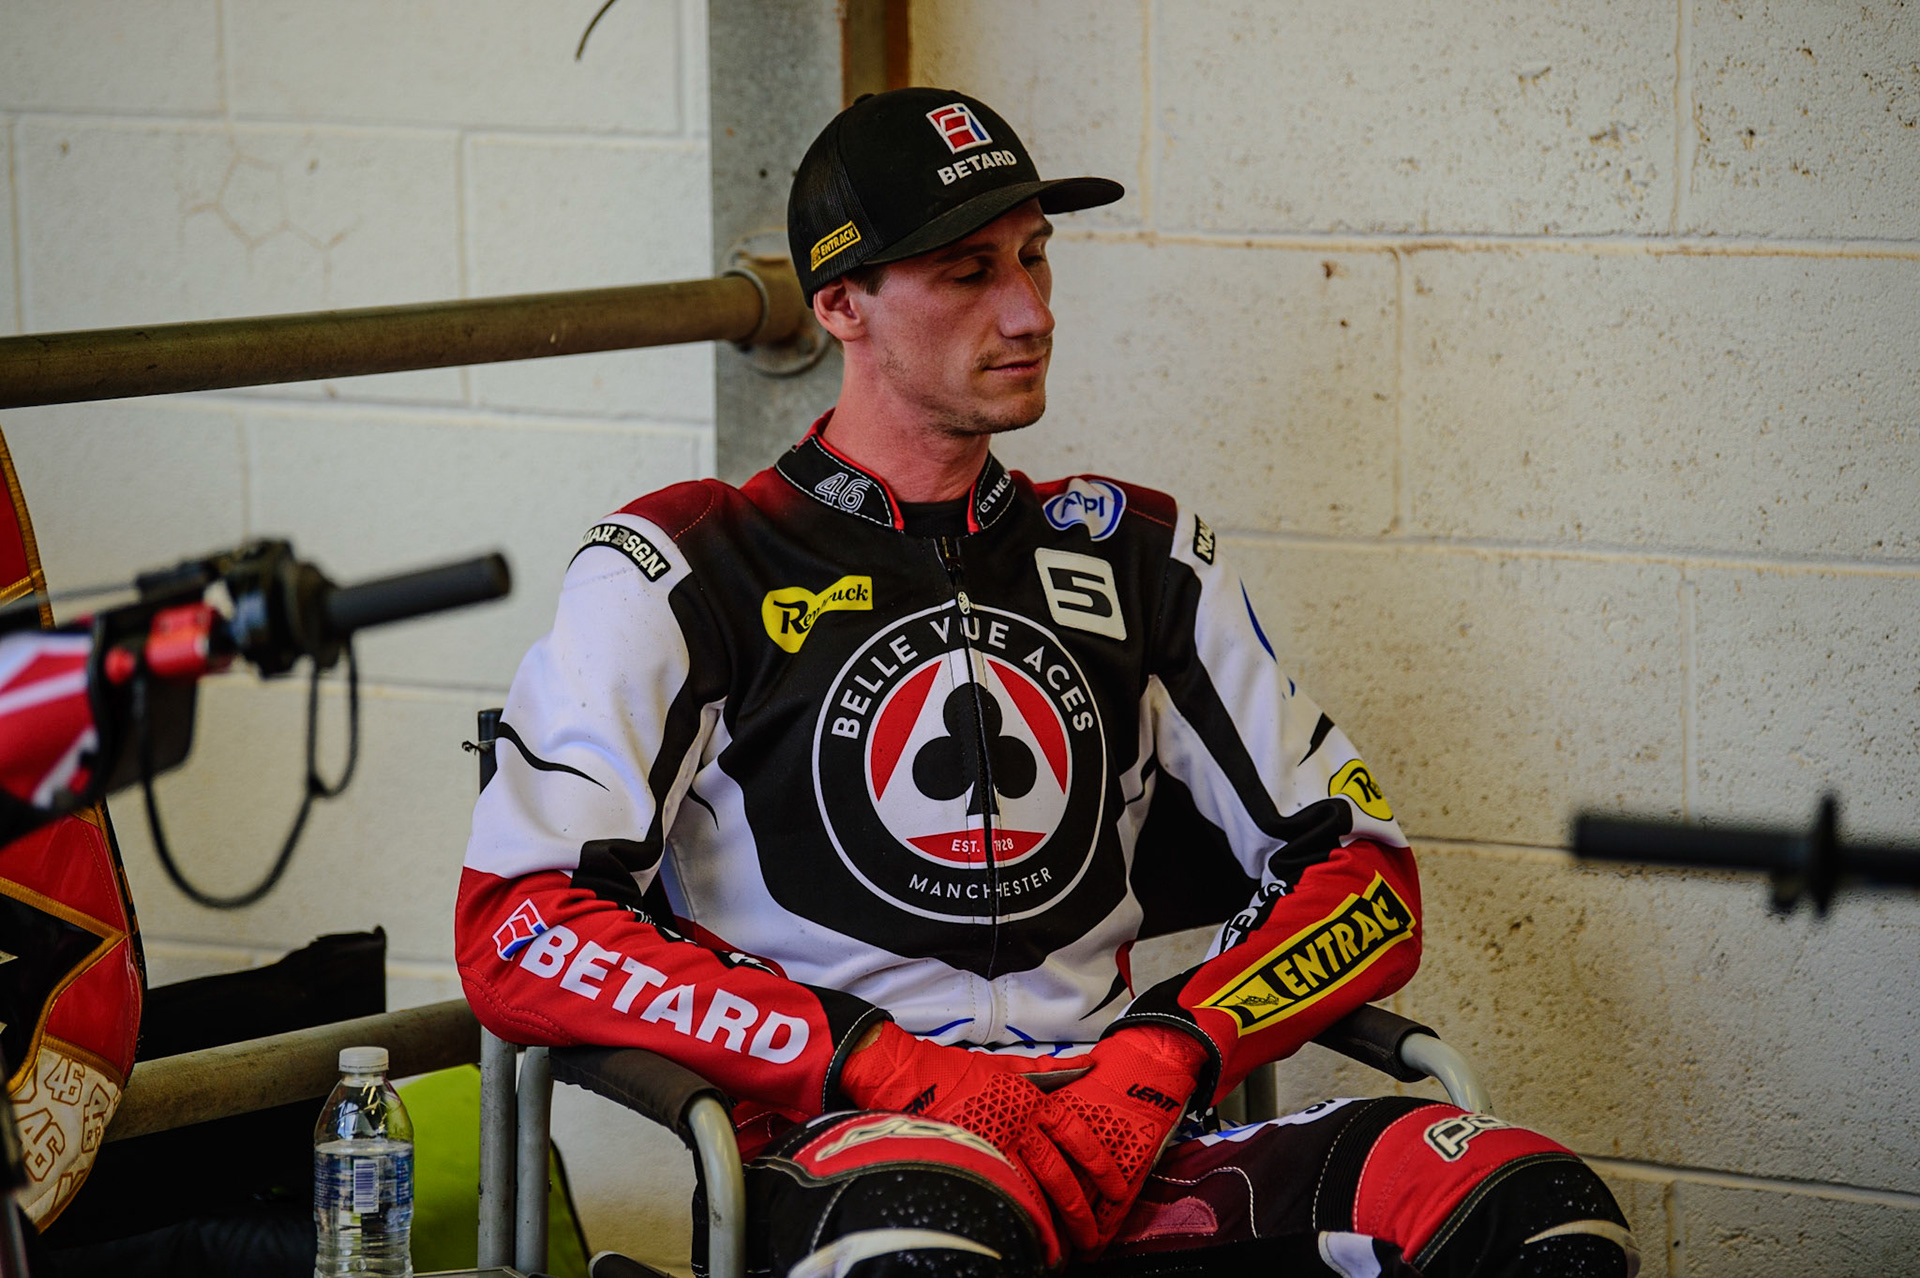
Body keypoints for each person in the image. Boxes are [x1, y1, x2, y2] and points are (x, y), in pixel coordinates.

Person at [456, 88, 1638, 1277]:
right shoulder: (683, 562)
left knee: (1539, 1215)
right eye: (969, 272)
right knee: (946, 1251)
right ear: (839, 304)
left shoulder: (1138, 550)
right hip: (856, 1146)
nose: (1029, 311)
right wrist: (885, 1064)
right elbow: (520, 923)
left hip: (1132, 1131)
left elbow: (1364, 877)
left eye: (1035, 258)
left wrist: (1171, 1050)